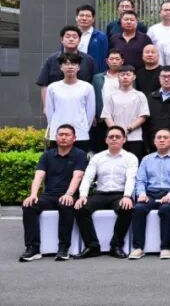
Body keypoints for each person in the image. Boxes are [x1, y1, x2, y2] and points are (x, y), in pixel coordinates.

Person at [18, 125, 86, 262]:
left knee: (65, 204)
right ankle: (32, 248)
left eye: (67, 135)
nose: (63, 137)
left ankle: (63, 248)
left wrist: (68, 194)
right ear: (56, 137)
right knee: (29, 206)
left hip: (69, 194)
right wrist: (33, 195)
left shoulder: (79, 154)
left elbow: (78, 176)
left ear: (74, 138)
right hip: (48, 195)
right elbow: (38, 176)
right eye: (60, 134)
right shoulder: (47, 155)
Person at [72, 125, 137, 260]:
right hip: (100, 194)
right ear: (106, 140)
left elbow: (131, 178)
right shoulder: (98, 157)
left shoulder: (130, 158)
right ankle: (92, 247)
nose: (114, 139)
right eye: (111, 137)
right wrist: (82, 195)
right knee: (80, 208)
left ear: (124, 139)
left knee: (126, 208)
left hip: (120, 194)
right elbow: (88, 177)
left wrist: (127, 196)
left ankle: (116, 246)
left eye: (117, 137)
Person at [129, 129, 170, 260]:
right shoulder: (146, 159)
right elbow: (140, 180)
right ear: (154, 141)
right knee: (139, 209)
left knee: (165, 209)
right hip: (150, 194)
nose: (162, 140)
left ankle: (165, 247)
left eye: (165, 137)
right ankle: (138, 248)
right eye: (159, 137)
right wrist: (141, 193)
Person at [44, 52, 96, 152]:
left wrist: (84, 128)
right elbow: (49, 112)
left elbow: (90, 112)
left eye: (73, 64)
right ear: (61, 67)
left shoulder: (87, 87)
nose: (70, 67)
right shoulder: (52, 87)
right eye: (66, 64)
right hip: (58, 134)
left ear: (78, 67)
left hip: (80, 134)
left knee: (79, 160)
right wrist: (54, 128)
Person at [36, 26, 96, 105]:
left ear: (79, 40)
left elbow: (94, 85)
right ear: (61, 40)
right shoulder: (52, 59)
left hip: (81, 104)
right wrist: (46, 106)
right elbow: (44, 84)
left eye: (74, 37)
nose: (71, 39)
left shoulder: (88, 60)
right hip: (57, 104)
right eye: (68, 36)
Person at [102, 65, 151, 157]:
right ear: (118, 76)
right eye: (122, 74)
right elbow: (107, 116)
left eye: (128, 74)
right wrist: (117, 131)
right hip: (115, 138)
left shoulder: (140, 95)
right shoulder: (110, 96)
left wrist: (129, 129)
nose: (125, 77)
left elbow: (143, 116)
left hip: (135, 137)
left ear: (134, 77)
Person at [74, 4, 109, 74]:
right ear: (76, 18)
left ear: (93, 19)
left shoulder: (101, 36)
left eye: (88, 16)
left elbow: (104, 58)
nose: (84, 18)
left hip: (93, 73)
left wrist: (101, 75)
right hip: (72, 72)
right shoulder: (69, 35)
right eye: (81, 15)